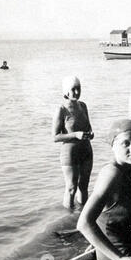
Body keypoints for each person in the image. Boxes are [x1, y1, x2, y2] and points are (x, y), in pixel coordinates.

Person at [76, 119, 131, 260]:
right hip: (119, 257)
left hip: (127, 247)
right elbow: (83, 223)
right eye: (126, 143)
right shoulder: (112, 173)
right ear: (113, 145)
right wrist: (121, 259)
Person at [52, 76, 94, 209]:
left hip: (86, 150)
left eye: (78, 88)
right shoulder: (61, 110)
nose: (76, 92)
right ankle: (68, 219)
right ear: (66, 92)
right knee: (71, 188)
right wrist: (76, 134)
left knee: (84, 187)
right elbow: (55, 137)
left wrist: (90, 133)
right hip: (70, 153)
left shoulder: (83, 106)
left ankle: (82, 217)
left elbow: (88, 126)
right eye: (73, 89)